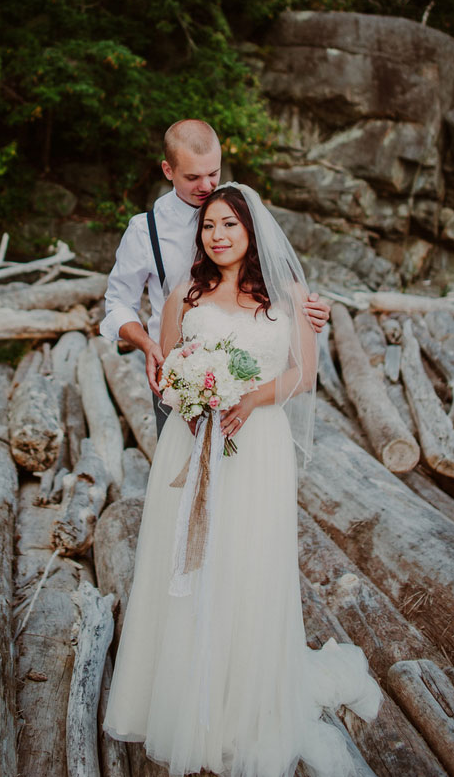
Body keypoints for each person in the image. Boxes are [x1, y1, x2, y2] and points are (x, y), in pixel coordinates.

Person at [103, 183, 381, 777]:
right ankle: (182, 700)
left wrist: (247, 399)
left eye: (229, 224)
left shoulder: (289, 297)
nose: (218, 235)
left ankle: (237, 702)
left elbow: (301, 376)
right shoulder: (185, 293)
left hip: (256, 447)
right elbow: (170, 368)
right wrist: (188, 392)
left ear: (252, 230)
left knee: (245, 563)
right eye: (208, 227)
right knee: (187, 562)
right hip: (192, 441)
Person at [100, 119, 330, 437]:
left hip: (251, 387)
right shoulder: (145, 231)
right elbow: (117, 304)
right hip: (179, 381)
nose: (206, 187)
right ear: (168, 170)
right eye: (193, 177)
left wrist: (313, 308)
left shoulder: (240, 211)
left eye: (213, 174)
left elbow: (275, 278)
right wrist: (147, 344)